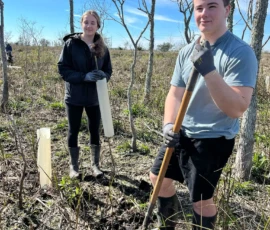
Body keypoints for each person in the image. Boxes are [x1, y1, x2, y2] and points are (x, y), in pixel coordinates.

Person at [149, 0, 258, 229]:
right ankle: (168, 223)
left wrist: (209, 70)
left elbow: (237, 107)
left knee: (200, 199)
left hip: (213, 139)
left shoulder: (240, 52)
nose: (204, 13)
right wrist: (169, 125)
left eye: (212, 6)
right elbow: (174, 94)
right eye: (199, 8)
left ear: (227, 10)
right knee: (158, 179)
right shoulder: (187, 51)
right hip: (180, 131)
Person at [58, 10, 112, 179]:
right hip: (74, 96)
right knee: (73, 130)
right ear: (81, 24)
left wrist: (104, 76)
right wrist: (83, 77)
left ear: (98, 26)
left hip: (95, 98)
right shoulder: (70, 45)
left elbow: (108, 70)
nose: (89, 26)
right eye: (86, 22)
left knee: (94, 130)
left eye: (92, 23)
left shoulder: (103, 47)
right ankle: (74, 167)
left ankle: (95, 166)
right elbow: (63, 69)